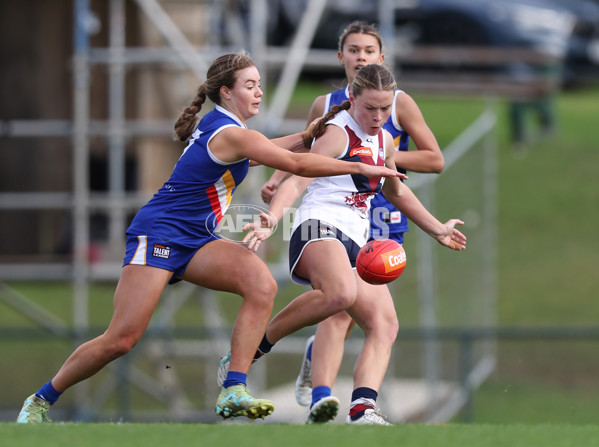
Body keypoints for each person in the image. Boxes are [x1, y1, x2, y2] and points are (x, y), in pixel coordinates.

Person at [15, 51, 402, 424]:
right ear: (226, 92)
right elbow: (296, 163)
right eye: (250, 85)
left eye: (260, 85)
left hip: (197, 237)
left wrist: (308, 135)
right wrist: (358, 163)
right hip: (160, 232)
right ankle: (41, 399)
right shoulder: (230, 131)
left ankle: (233, 387)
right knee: (121, 339)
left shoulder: (232, 131)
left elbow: (266, 152)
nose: (259, 92)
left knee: (261, 284)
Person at [217, 63, 466, 425]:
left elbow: (396, 189)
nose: (378, 117)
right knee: (341, 294)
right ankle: (256, 346)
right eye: (370, 108)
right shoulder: (337, 132)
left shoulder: (383, 141)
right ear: (352, 99)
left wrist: (437, 228)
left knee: (385, 323)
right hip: (318, 225)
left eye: (385, 108)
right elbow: (298, 179)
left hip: (358, 237)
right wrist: (274, 215)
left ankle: (363, 408)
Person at [260, 21, 445, 416]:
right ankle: (322, 397)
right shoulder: (327, 108)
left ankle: (354, 402)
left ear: (381, 58)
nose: (360, 56)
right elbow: (303, 153)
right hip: (329, 215)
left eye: (368, 50)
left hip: (380, 219)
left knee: (370, 315)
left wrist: (378, 163)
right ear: (340, 57)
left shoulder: (395, 108)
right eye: (353, 50)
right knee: (339, 302)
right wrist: (277, 181)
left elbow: (434, 160)